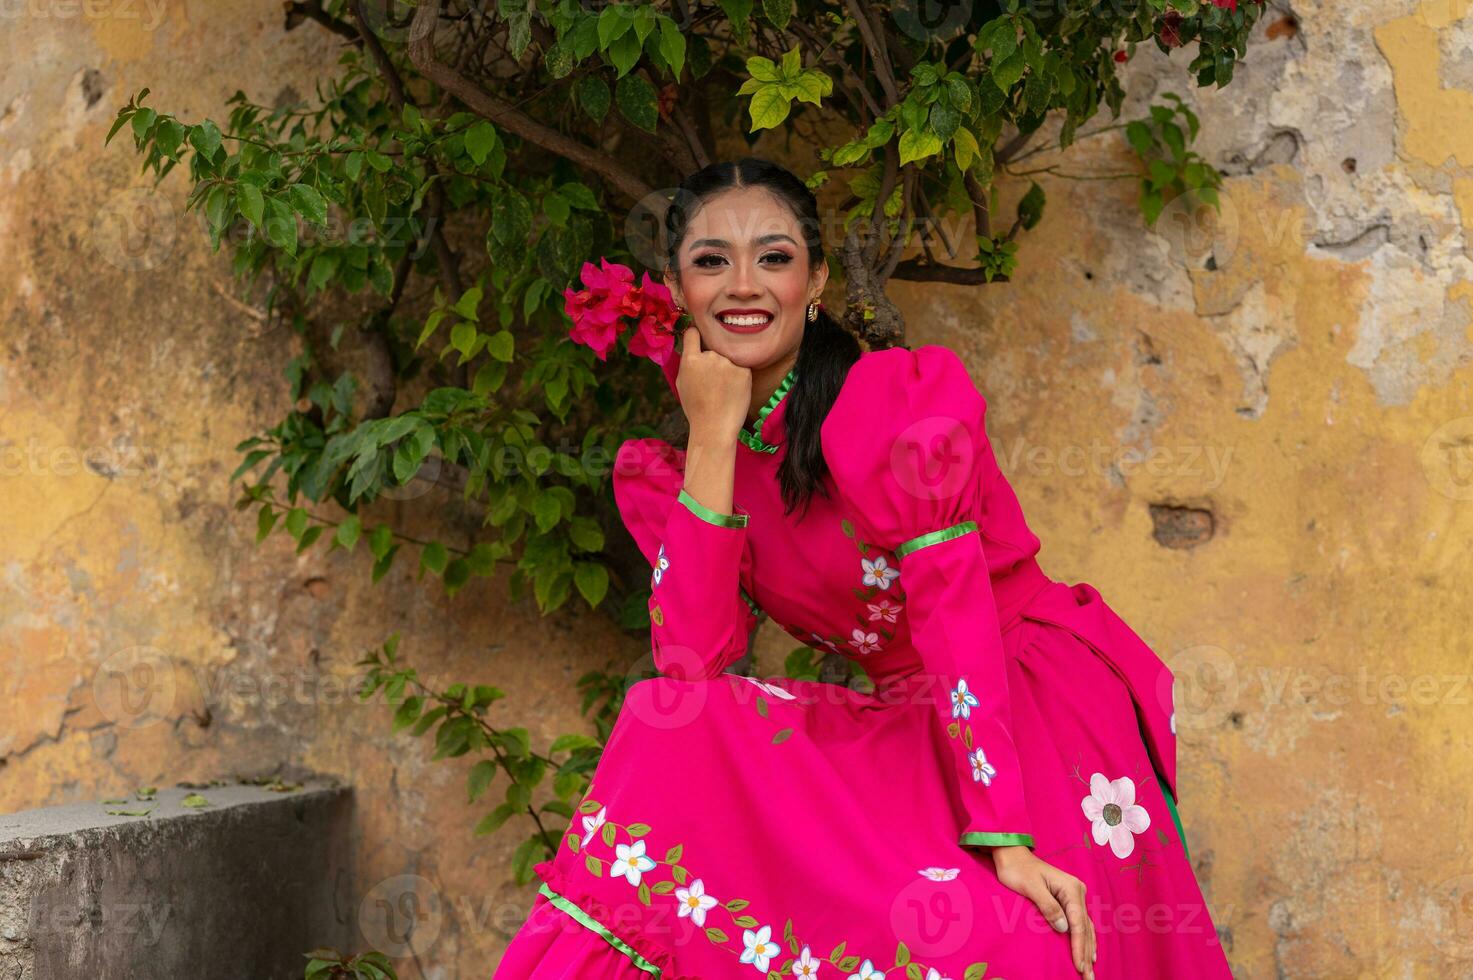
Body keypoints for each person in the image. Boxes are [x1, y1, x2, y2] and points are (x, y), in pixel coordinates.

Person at [493, 158, 1233, 979]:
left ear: (813, 282)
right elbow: (689, 670)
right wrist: (709, 434)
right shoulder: (699, 461)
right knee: (668, 728)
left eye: (772, 258)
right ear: (676, 289)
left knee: (1035, 947)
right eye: (711, 261)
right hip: (905, 731)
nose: (743, 285)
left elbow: (957, 617)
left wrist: (1005, 838)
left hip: (1023, 699)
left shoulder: (888, 403)